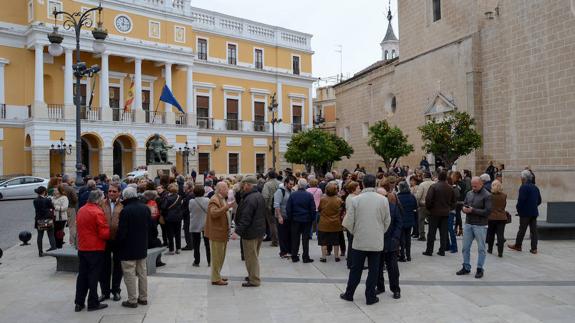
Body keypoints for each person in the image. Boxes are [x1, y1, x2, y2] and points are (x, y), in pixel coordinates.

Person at [341, 174, 391, 305]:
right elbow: (387, 221)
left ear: (362, 184)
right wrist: (380, 232)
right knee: (373, 270)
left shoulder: (356, 200)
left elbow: (348, 222)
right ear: (375, 184)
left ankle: (349, 294)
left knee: (355, 269)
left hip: (359, 240)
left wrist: (356, 232)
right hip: (376, 240)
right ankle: (370, 297)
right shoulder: (383, 200)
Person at [74, 190, 110, 312]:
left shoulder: (81, 210)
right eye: (103, 198)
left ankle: (79, 302)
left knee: (82, 275)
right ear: (98, 199)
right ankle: (93, 302)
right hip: (95, 248)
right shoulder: (97, 212)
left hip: (83, 247)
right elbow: (104, 233)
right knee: (93, 276)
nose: (104, 200)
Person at [116, 187, 152, 308]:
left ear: (126, 197)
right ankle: (143, 297)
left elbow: (122, 232)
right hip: (142, 245)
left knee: (129, 273)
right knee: (142, 272)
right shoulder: (145, 208)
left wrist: (118, 243)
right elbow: (150, 226)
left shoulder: (125, 210)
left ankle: (132, 300)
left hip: (128, 247)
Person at [234, 175, 267, 287]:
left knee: (251, 257)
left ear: (248, 185)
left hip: (250, 232)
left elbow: (246, 218)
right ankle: (253, 275)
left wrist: (237, 231)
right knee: (254, 255)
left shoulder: (250, 198)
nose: (242, 187)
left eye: (244, 185)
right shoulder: (258, 195)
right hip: (258, 231)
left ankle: (254, 280)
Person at [457, 177, 492, 279]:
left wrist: (473, 210)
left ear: (481, 184)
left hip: (480, 225)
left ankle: (480, 268)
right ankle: (466, 266)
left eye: (475, 186)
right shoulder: (469, 193)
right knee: (465, 247)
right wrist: (464, 209)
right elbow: (465, 204)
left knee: (481, 248)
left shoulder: (487, 195)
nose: (473, 188)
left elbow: (487, 212)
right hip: (468, 223)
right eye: (472, 186)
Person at [98, 183, 123, 302]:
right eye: (110, 191)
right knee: (104, 267)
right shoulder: (101, 204)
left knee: (118, 266)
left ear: (119, 192)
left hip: (118, 240)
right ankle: (105, 292)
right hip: (104, 239)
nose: (111, 193)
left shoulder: (123, 204)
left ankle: (116, 291)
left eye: (114, 191)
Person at [205, 182, 233, 286]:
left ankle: (217, 275)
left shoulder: (220, 198)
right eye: (226, 189)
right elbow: (213, 213)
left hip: (222, 233)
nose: (228, 190)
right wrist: (226, 207)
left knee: (221, 256)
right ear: (220, 189)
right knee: (217, 257)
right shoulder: (214, 199)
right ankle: (215, 278)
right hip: (217, 233)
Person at [508, 170, 542, 254]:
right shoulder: (535, 187)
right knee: (534, 231)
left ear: (523, 178)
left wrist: (518, 209)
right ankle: (534, 248)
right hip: (534, 212)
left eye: (521, 177)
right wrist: (533, 206)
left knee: (522, 229)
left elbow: (521, 201)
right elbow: (539, 200)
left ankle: (518, 245)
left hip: (525, 213)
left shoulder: (523, 187)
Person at [377, 188, 402, 299]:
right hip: (377, 242)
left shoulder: (393, 207)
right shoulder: (373, 208)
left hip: (390, 242)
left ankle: (395, 289)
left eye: (384, 196)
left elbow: (398, 223)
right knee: (377, 267)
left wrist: (395, 238)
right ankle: (380, 287)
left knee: (393, 268)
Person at [423, 171, 456, 256]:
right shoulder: (450, 188)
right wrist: (449, 208)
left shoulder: (434, 187)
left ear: (438, 177)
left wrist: (429, 208)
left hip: (434, 213)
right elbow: (454, 202)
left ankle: (429, 250)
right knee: (443, 232)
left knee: (431, 233)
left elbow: (428, 199)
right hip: (445, 213)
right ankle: (442, 250)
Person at [286, 178, 316, 263]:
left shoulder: (293, 195)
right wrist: (312, 218)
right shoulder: (309, 195)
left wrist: (290, 218)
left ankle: (294, 256)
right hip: (306, 220)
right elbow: (312, 209)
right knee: (305, 240)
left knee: (295, 239)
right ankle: (305, 257)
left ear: (298, 185)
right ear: (306, 185)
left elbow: (288, 208)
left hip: (295, 220)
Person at [317, 182, 343, 262]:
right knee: (336, 241)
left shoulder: (323, 199)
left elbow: (319, 209)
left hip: (324, 223)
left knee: (323, 242)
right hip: (335, 223)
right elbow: (341, 209)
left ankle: (324, 257)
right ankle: (336, 256)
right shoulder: (339, 200)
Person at [189, 184, 211, 267]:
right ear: (203, 192)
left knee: (196, 244)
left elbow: (190, 210)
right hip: (206, 224)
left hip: (195, 223)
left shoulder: (191, 201)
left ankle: (196, 261)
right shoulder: (207, 200)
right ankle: (209, 261)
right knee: (207, 244)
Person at [33, 186, 57, 257]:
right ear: (44, 192)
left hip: (39, 220)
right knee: (51, 235)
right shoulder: (47, 200)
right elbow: (52, 207)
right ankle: (54, 249)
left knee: (40, 236)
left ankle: (40, 252)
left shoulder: (35, 200)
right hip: (48, 219)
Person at [274, 177, 294, 258]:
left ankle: (289, 251)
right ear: (285, 183)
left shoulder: (292, 191)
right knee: (282, 235)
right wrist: (279, 216)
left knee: (289, 235)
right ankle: (283, 252)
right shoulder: (280, 191)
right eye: (290, 184)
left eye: (293, 184)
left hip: (290, 217)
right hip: (282, 216)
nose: (292, 186)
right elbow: (276, 205)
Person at [397, 181, 417, 262]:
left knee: (401, 239)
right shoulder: (411, 196)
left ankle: (402, 255)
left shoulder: (398, 197)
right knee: (408, 238)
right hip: (409, 219)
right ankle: (408, 255)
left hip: (401, 220)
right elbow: (415, 206)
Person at [486, 180, 507, 257]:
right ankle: (500, 252)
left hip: (492, 217)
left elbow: (488, 207)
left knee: (491, 234)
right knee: (500, 235)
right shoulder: (504, 195)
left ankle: (490, 249)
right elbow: (504, 205)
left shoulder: (489, 196)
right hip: (502, 217)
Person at [161, 183, 183, 255]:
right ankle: (178, 248)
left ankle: (171, 250)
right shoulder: (179, 197)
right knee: (178, 233)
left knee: (170, 234)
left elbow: (163, 207)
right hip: (178, 217)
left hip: (169, 217)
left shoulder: (167, 198)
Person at [344, 181, 361, 269]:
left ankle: (351, 262)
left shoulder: (351, 197)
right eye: (358, 188)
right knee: (352, 243)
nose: (360, 189)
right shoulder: (352, 198)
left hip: (352, 223)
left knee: (352, 243)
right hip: (353, 224)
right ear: (353, 189)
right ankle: (351, 263)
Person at [261, 170, 280, 246]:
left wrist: (264, 206)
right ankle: (281, 239)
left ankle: (275, 241)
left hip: (270, 206)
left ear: (269, 176)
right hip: (279, 205)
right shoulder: (280, 183)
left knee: (272, 224)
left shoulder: (267, 184)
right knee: (279, 223)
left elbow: (265, 196)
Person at [415, 171, 434, 241]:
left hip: (423, 205)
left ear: (424, 176)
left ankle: (422, 235)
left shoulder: (422, 185)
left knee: (421, 221)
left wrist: (417, 204)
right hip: (433, 205)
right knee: (432, 221)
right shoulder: (434, 184)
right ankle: (432, 235)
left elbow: (418, 196)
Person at [51, 184, 69, 249]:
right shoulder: (52, 197)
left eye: (56, 190)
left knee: (59, 232)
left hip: (61, 217)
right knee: (54, 232)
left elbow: (65, 207)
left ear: (59, 190)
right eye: (54, 190)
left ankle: (59, 246)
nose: (54, 191)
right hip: (54, 217)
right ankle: (56, 245)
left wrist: (56, 207)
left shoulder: (64, 198)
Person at [181, 182, 195, 251]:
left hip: (188, 215)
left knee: (188, 231)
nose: (184, 187)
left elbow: (188, 207)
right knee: (189, 231)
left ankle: (189, 245)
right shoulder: (189, 194)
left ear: (188, 188)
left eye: (185, 186)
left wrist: (183, 212)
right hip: (189, 215)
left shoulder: (190, 195)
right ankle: (190, 244)